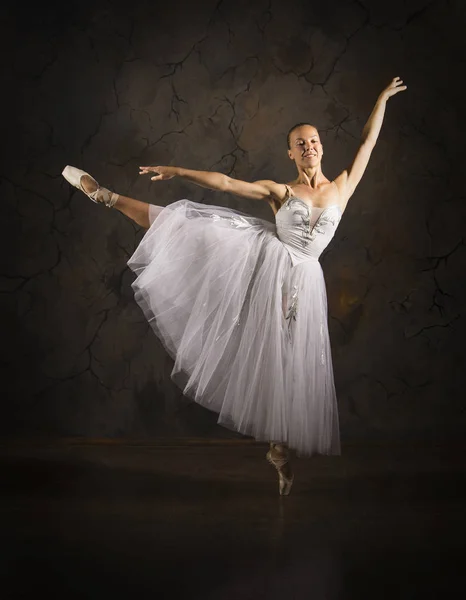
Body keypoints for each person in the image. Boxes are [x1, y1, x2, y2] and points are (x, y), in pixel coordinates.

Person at [62, 76, 407, 495]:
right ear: (290, 153)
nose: (309, 147)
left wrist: (382, 97)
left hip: (306, 279)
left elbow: (368, 142)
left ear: (322, 146)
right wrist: (177, 170)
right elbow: (225, 182)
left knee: (293, 361)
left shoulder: (342, 187)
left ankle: (279, 449)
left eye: (313, 141)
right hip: (268, 263)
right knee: (186, 225)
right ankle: (108, 197)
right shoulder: (280, 191)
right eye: (300, 143)